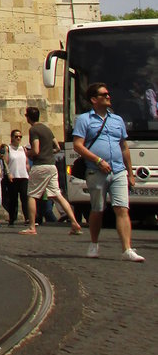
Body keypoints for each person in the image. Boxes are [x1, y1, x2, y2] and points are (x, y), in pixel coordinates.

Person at [72, 83, 144, 261]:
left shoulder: (117, 120)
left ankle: (127, 249)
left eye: (108, 94)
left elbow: (124, 147)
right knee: (98, 209)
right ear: (94, 99)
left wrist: (130, 173)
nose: (108, 96)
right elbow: (78, 145)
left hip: (118, 170)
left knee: (122, 209)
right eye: (104, 94)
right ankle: (94, 244)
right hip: (96, 171)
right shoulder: (84, 120)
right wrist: (98, 160)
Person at [19, 106, 82, 236]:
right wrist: (48, 152)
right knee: (57, 195)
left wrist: (27, 153)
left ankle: (32, 226)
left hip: (40, 165)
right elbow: (57, 148)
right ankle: (74, 222)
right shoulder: (47, 129)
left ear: (28, 117)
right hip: (51, 166)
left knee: (31, 195)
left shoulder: (34, 130)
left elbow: (35, 150)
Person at [1, 129, 30, 226]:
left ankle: (27, 218)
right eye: (16, 136)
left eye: (20, 136)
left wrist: (28, 172)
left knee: (25, 198)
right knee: (13, 199)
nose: (18, 138)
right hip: (13, 176)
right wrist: (8, 173)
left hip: (23, 176)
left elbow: (26, 162)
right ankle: (12, 218)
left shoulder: (23, 149)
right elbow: (5, 162)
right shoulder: (8, 148)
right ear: (12, 137)